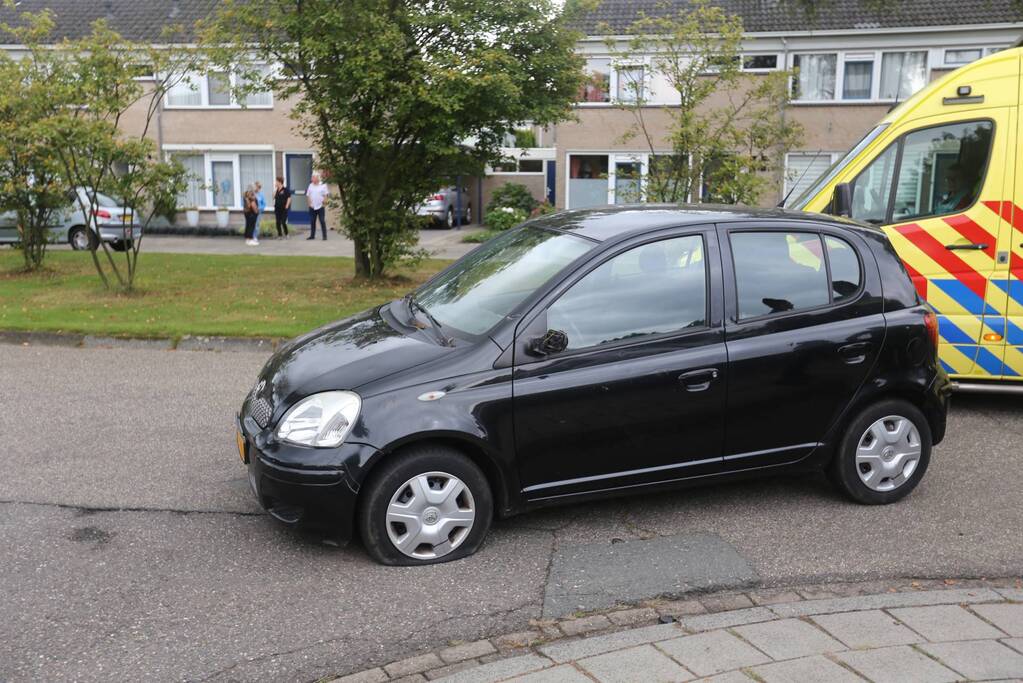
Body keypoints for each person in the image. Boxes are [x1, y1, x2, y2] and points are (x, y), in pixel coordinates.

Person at [307, 172, 329, 240]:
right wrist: (309, 204)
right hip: (312, 206)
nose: (312, 179)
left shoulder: (323, 185)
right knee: (312, 221)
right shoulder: (310, 185)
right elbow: (308, 195)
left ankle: (324, 236)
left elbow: (326, 195)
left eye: (313, 177)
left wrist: (324, 204)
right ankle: (312, 235)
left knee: (322, 221)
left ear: (317, 178)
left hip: (320, 206)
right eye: (312, 177)